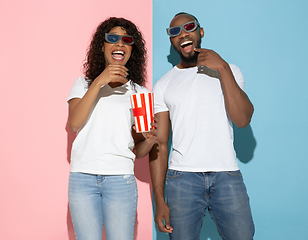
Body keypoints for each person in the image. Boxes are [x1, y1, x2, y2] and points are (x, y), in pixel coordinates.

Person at [149, 12, 255, 240]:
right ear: (171, 41)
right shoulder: (163, 85)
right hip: (182, 180)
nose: (182, 34)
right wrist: (159, 199)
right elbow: (160, 144)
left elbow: (242, 119)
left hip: (226, 174)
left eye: (188, 27)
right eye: (174, 32)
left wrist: (223, 68)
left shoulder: (231, 70)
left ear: (200, 32)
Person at [67, 17, 157, 240]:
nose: (119, 44)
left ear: (132, 49)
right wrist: (99, 81)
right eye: (112, 38)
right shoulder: (83, 84)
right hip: (82, 178)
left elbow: (138, 151)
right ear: (102, 45)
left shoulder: (140, 94)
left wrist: (150, 138)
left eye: (126, 40)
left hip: (120, 179)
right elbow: (75, 123)